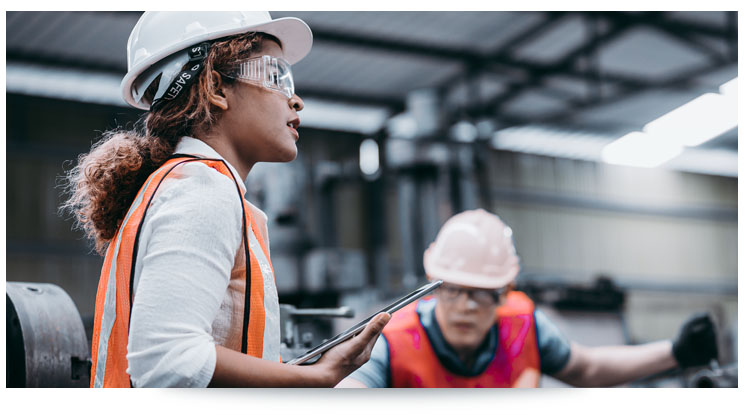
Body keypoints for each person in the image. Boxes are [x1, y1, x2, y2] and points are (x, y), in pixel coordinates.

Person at [61, 11, 389, 388]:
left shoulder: (182, 185)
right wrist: (314, 380)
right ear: (216, 88)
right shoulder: (202, 190)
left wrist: (292, 373)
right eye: (276, 76)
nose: (295, 100)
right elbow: (167, 359)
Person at [337, 209, 719, 388]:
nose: (465, 305)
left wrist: (677, 352)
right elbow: (350, 392)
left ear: (504, 293)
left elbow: (586, 367)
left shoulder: (525, 327)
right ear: (433, 285)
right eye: (452, 290)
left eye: (481, 294)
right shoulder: (392, 341)